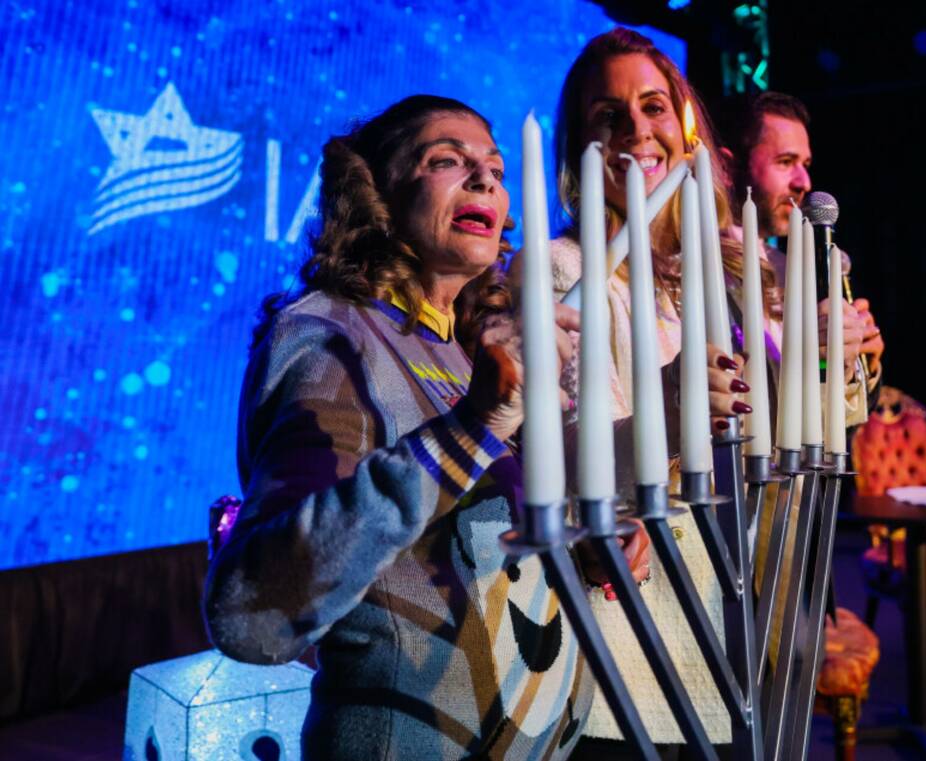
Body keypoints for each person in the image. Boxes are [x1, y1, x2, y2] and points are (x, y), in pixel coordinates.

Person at [203, 95, 591, 760]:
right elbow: (255, 612)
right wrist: (477, 424)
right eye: (447, 160)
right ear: (376, 194)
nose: (486, 180)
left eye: (496, 170)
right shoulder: (332, 335)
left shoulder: (470, 348)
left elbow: (481, 549)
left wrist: (588, 543)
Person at [510, 28, 749, 757]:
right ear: (577, 147)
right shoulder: (558, 272)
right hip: (614, 624)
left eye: (653, 108)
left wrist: (842, 364)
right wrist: (672, 408)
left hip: (713, 611)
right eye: (608, 117)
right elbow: (567, 450)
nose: (637, 133)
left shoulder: (721, 272)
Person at [715, 91, 884, 415]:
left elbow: (826, 421)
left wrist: (856, 363)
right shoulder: (685, 262)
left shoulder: (792, 270)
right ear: (726, 166)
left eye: (805, 165)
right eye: (785, 162)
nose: (804, 182)